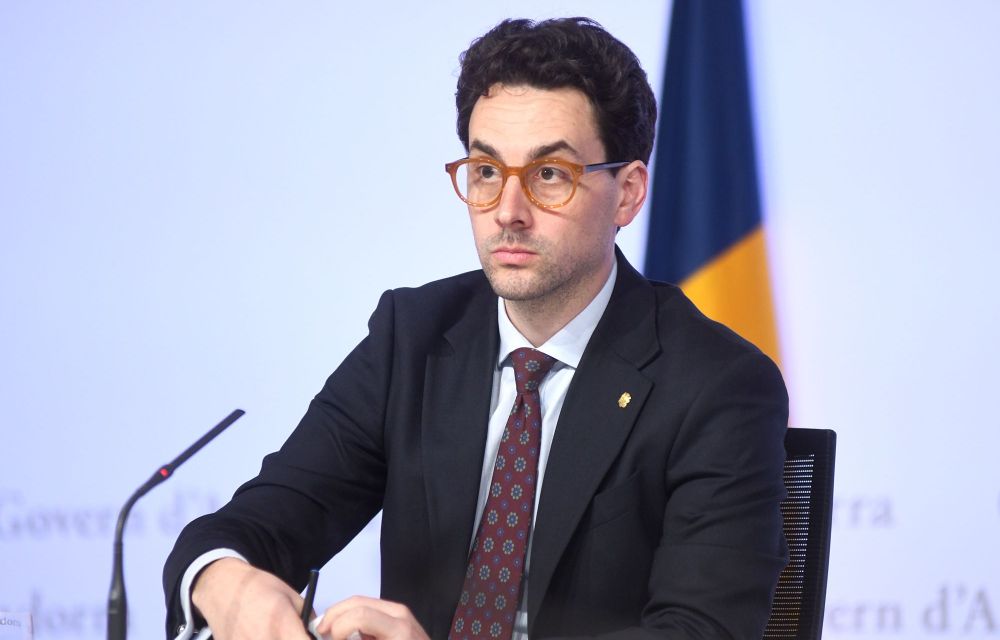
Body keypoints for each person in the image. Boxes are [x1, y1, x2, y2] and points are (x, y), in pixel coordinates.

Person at [163, 16, 788, 640]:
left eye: (549, 175)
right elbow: (264, 520)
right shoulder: (412, 338)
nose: (508, 213)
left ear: (627, 192)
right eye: (487, 171)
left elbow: (700, 630)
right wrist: (227, 582)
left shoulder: (717, 384)